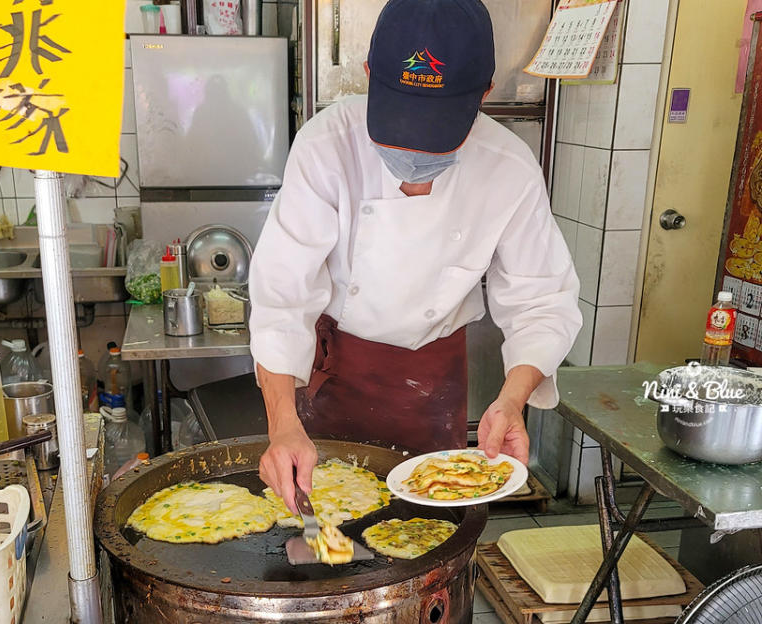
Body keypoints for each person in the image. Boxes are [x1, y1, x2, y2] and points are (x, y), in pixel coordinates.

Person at [249, 0, 581, 513]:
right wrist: (283, 425)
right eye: (400, 127)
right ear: (368, 76)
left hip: (433, 382)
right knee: (320, 540)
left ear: (483, 95)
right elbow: (281, 299)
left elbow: (543, 300)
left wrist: (511, 401)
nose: (415, 155)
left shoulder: (508, 168)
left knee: (427, 537)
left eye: (436, 134)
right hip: (336, 374)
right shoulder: (325, 146)